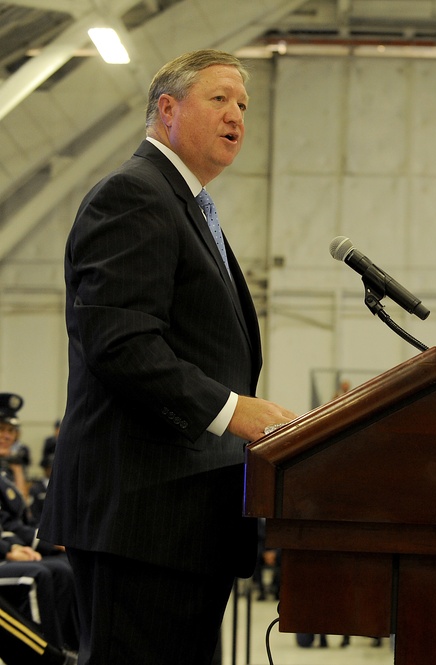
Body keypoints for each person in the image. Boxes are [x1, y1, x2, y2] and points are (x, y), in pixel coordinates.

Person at [38, 49, 296, 665]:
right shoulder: (134, 195)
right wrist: (233, 411)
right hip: (142, 516)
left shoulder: (186, 205)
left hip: (179, 519)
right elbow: (120, 343)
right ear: (167, 109)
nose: (236, 114)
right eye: (219, 99)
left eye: (243, 104)